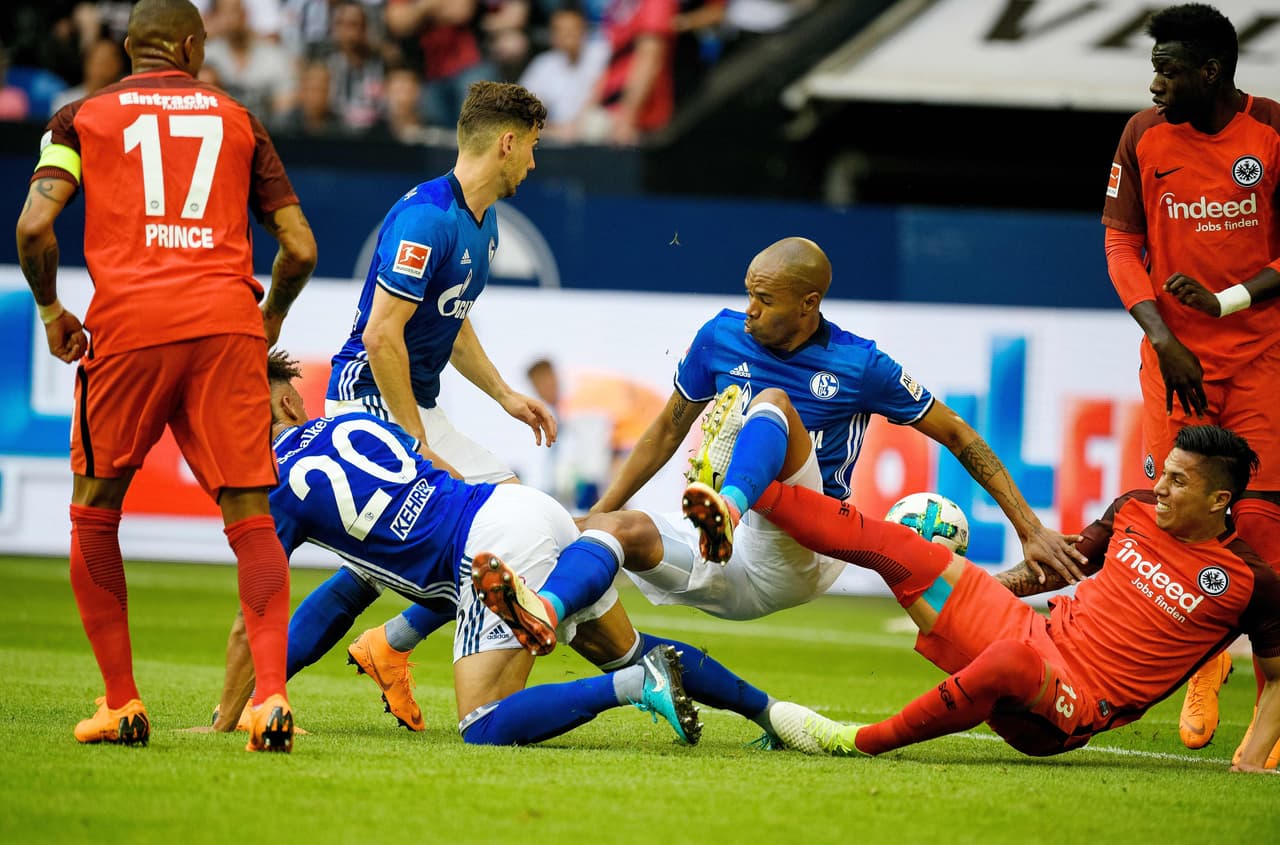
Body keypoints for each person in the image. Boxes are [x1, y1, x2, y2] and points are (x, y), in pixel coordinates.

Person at [210, 349, 834, 752]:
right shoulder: (357, 423)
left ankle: (633, 689)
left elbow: (253, 617)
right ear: (292, 401)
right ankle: (768, 714)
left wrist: (225, 717)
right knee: (625, 646)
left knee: (483, 723)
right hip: (519, 509)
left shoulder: (271, 490)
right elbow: (431, 469)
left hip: (483, 554)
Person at [14, 0, 316, 751]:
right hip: (223, 324)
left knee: (95, 509)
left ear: (127, 49)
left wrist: (53, 311)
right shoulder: (241, 121)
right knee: (251, 517)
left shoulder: (78, 120)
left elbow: (32, 227)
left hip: (129, 328)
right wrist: (267, 317)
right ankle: (269, 698)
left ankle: (122, 702)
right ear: (189, 47)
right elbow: (300, 248)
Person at [583, 236, 1087, 625]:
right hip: (723, 554)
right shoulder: (719, 336)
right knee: (592, 534)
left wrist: (1030, 528)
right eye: (747, 294)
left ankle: (728, 509)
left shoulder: (858, 364)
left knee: (772, 404)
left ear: (808, 303)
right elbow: (668, 430)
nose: (749, 309)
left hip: (801, 547)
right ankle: (559, 635)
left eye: (763, 298)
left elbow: (957, 433)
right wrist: (603, 510)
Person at [725, 424, 1280, 773]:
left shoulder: (1252, 581)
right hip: (1034, 633)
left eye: (1178, 482)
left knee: (1012, 663)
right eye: (1163, 474)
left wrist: (1252, 759)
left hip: (1077, 703)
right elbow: (1060, 568)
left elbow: (1277, 677)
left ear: (1219, 500)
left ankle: (852, 742)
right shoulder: (1132, 509)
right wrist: (975, 589)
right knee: (908, 548)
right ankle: (742, 494)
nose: (1159, 488)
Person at [298, 80, 558, 735]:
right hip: (367, 404)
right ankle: (255, 695)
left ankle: (390, 642)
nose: (534, 161)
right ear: (505, 142)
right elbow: (382, 334)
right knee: (397, 562)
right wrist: (415, 444)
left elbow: (453, 320)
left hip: (412, 404)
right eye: (531, 146)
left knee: (507, 521)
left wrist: (504, 395)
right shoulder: (426, 217)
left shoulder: (483, 222)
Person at [1101, 3, 1280, 759]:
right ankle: (1206, 661)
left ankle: (1273, 700)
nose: (1155, 82)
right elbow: (1120, 243)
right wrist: (1164, 336)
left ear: (1211, 71)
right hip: (1173, 363)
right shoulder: (1144, 136)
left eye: (1169, 70)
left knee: (1264, 531)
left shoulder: (1270, 130)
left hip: (1262, 359)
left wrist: (1231, 301)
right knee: (1174, 514)